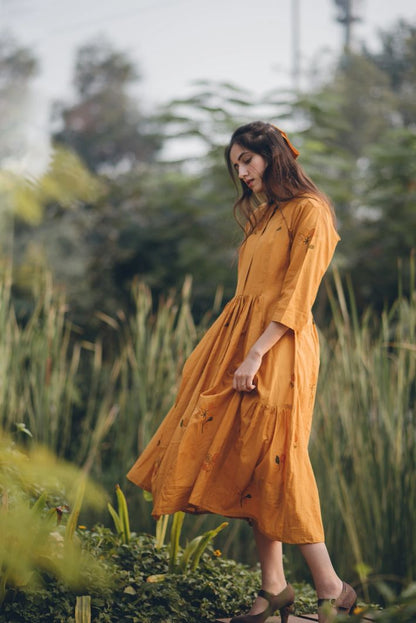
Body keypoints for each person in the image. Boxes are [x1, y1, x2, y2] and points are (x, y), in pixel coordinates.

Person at [127, 121, 356, 623]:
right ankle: (274, 587)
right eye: (235, 165)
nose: (242, 172)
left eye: (246, 160)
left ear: (272, 156)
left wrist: (256, 354)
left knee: (278, 456)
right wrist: (234, 351)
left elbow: (298, 295)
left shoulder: (310, 212)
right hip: (240, 343)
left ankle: (331, 585)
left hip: (279, 348)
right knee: (251, 457)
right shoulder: (262, 217)